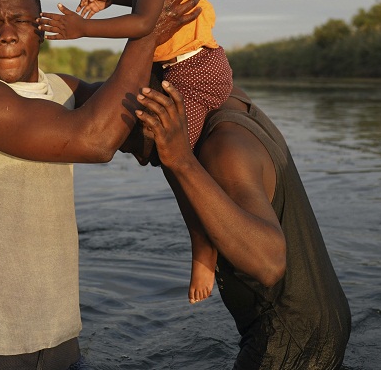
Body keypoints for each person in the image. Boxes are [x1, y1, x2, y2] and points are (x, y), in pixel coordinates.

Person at [0, 0, 199, 369]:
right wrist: (148, 29)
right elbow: (95, 140)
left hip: (58, 338)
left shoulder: (64, 89)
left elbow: (136, 130)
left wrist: (187, 47)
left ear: (41, 30)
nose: (6, 34)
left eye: (20, 21)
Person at [42, 0, 232, 303]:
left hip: (193, 73)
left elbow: (147, 20)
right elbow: (148, 0)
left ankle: (204, 248)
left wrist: (82, 28)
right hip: (201, 65)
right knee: (166, 148)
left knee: (177, 161)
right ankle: (204, 241)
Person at [135, 80, 352, 369]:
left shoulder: (225, 149)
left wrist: (180, 160)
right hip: (321, 321)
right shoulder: (231, 100)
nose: (137, 158)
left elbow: (270, 262)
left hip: (289, 341)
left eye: (129, 144)